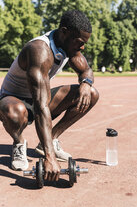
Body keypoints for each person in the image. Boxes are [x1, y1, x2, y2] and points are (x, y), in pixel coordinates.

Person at [0, 10, 99, 182]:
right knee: (15, 112)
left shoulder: (70, 47)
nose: (82, 47)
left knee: (91, 94)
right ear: (64, 32)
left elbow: (86, 70)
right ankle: (18, 143)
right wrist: (50, 158)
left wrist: (86, 83)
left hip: (39, 98)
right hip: (13, 98)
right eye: (80, 42)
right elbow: (40, 106)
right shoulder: (39, 50)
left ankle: (51, 139)